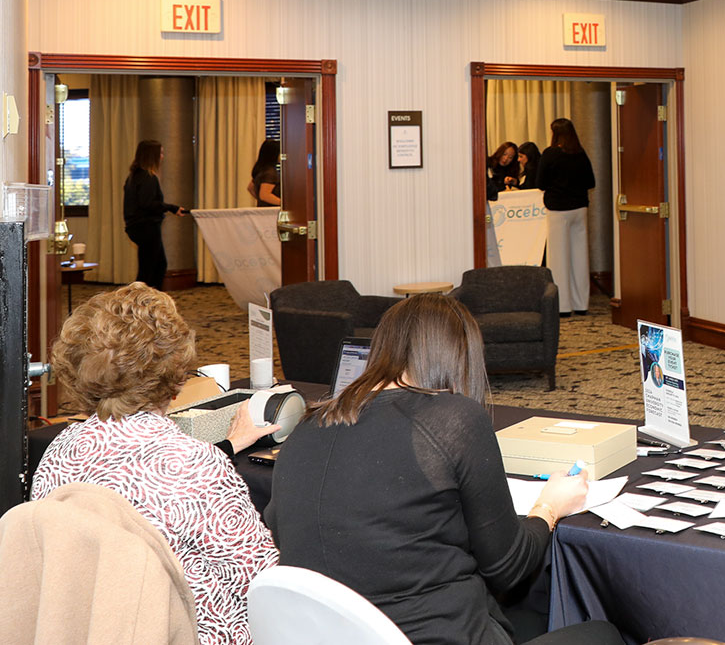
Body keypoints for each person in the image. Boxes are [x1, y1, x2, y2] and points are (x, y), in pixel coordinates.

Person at [266, 295, 621, 645]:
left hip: (336, 635)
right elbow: (508, 567)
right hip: (439, 634)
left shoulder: (306, 427)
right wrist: (550, 506)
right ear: (458, 355)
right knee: (602, 633)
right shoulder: (452, 419)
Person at [30, 283, 279, 645]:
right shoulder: (194, 464)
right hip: (180, 632)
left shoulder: (60, 450)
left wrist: (225, 446)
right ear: (177, 376)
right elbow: (260, 578)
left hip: (89, 627)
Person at [537, 119, 596, 316]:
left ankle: (562, 307)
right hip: (580, 208)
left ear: (555, 134)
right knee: (580, 256)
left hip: (558, 209)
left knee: (558, 258)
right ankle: (581, 304)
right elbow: (591, 182)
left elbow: (540, 183)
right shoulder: (580, 153)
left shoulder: (550, 154)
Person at [123, 139, 187, 289]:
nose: (162, 157)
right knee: (151, 269)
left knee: (156, 265)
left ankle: (149, 298)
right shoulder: (148, 178)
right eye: (161, 153)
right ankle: (143, 298)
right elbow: (148, 204)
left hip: (137, 227)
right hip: (147, 227)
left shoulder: (134, 177)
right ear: (152, 155)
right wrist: (172, 208)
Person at [247, 139, 280, 206]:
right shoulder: (270, 173)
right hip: (271, 211)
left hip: (264, 209)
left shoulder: (262, 169)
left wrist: (261, 202)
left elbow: (250, 188)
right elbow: (264, 195)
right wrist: (284, 204)